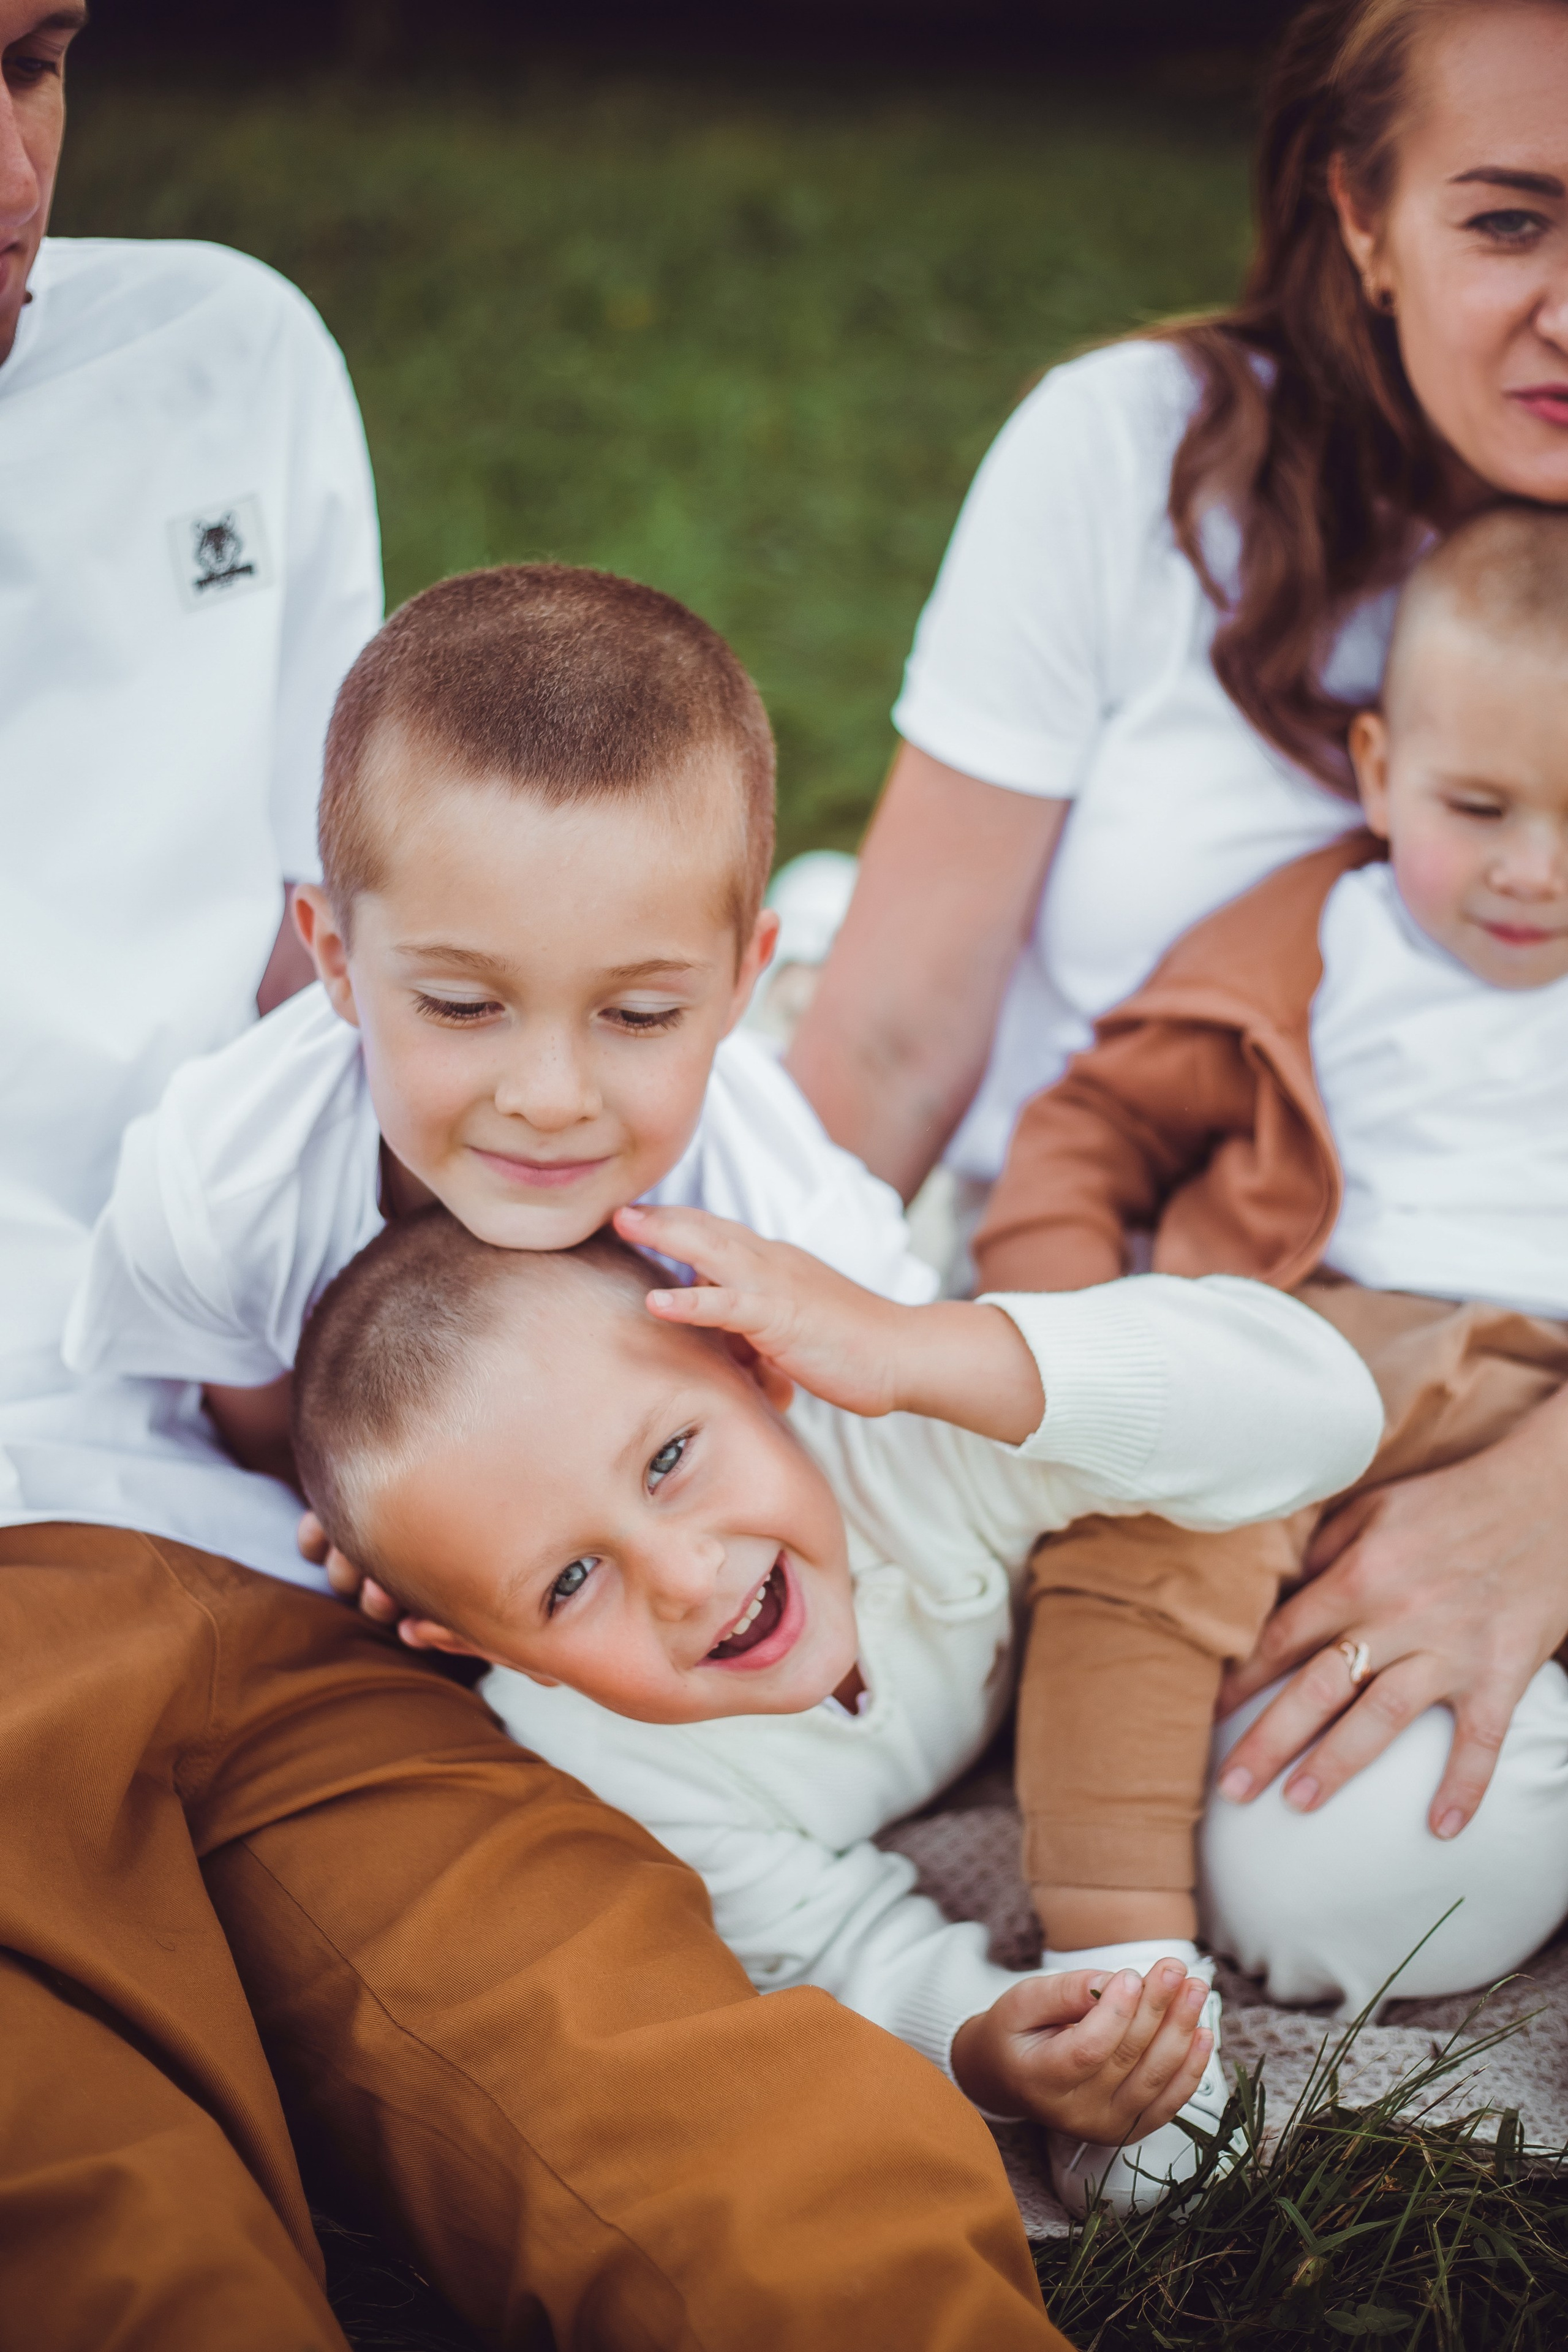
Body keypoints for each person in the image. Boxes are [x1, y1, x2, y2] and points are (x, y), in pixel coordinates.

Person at [0, 10, 1066, 2343]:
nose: (6, 160)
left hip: (306, 1564)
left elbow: (395, 936)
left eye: (26, 55)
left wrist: (423, 1468)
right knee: (110, 2235)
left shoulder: (221, 359)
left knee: (752, 2162)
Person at [786, 0, 1568, 1904]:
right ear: (1363, 217)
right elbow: (899, 1041)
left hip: (1500, 1372)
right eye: (1511, 222)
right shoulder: (1141, 461)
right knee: (698, 1672)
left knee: (1370, 1880)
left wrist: (1546, 1515)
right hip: (1095, 1286)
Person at [282, 1197, 1382, 2218]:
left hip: (1163, 1616)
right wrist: (986, 2047)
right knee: (1140, 2166)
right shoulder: (598, 1769)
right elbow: (828, 1945)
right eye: (569, 1583)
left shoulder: (905, 1434)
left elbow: (1322, 1408)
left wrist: (914, 1350)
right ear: (485, 1650)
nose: (683, 1574)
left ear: (754, 1371)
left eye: (669, 1459)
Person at [974, 507, 1568, 2136]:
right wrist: (1074, 1328)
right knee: (1146, 1542)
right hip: (1321, 1339)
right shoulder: (1316, 945)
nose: (1536, 867)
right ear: (1377, 774)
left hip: (1545, 1389)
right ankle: (1128, 2006)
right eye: (1478, 807)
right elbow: (1096, 1122)